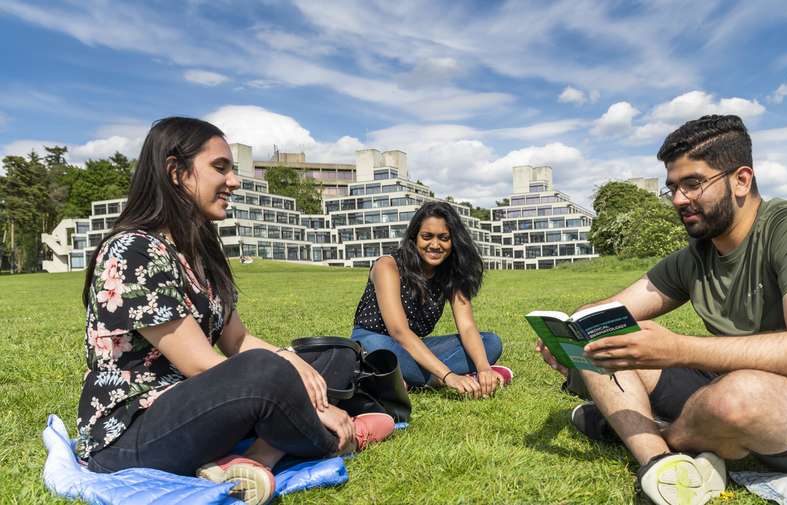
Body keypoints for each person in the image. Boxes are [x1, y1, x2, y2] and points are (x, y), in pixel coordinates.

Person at [537, 115, 787, 505]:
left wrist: (679, 350)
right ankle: (657, 461)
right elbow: (607, 311)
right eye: (672, 187)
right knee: (605, 335)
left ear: (741, 180)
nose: (677, 200)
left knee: (739, 396)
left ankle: (637, 428)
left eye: (693, 184)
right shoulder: (696, 257)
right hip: (732, 381)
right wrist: (571, 335)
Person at [76, 117, 394, 505]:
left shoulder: (201, 250)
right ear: (175, 172)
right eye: (220, 168)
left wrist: (297, 367)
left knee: (335, 353)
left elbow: (237, 340)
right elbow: (200, 364)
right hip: (134, 432)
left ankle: (260, 455)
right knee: (269, 369)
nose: (234, 182)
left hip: (200, 406)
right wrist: (291, 379)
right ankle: (336, 439)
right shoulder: (134, 251)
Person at [351, 201, 513, 398]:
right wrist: (448, 376)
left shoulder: (452, 273)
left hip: (414, 346)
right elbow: (399, 332)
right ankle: (430, 378)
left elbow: (467, 326)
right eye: (427, 236)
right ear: (414, 238)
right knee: (383, 353)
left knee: (490, 342)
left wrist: (484, 368)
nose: (435, 245)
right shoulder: (388, 266)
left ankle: (399, 380)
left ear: (453, 241)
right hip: (374, 342)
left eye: (443, 238)